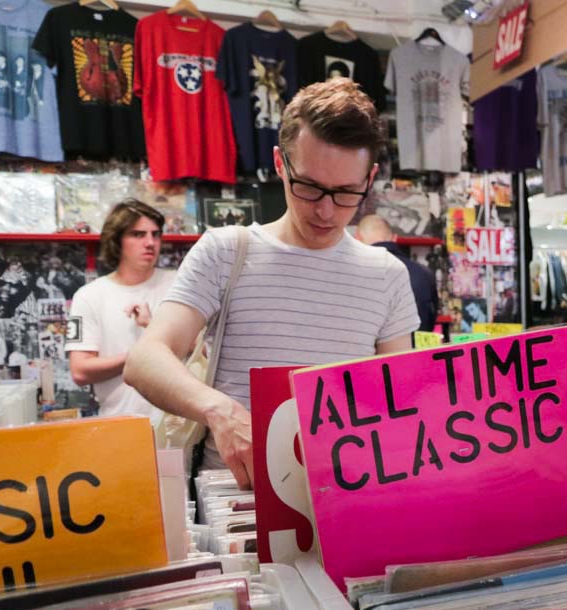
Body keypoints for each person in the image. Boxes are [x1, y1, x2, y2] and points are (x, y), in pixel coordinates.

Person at [125, 79, 419, 489]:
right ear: (281, 164)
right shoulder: (226, 251)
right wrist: (218, 410)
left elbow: (396, 396)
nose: (326, 210)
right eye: (309, 187)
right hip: (239, 504)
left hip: (348, 497)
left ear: (369, 179)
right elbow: (144, 360)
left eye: (348, 192)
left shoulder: (387, 274)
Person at [65, 200, 175, 417]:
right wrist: (138, 355)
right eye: (138, 234)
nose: (150, 242)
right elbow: (80, 371)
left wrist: (153, 326)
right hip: (120, 424)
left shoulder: (179, 284)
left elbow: (205, 350)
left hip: (180, 427)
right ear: (117, 240)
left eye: (156, 234)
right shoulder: (89, 296)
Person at [355, 213, 439, 332]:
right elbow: (431, 318)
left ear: (357, 238)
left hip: (376, 349)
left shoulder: (357, 272)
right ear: (394, 238)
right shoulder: (424, 273)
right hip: (418, 347)